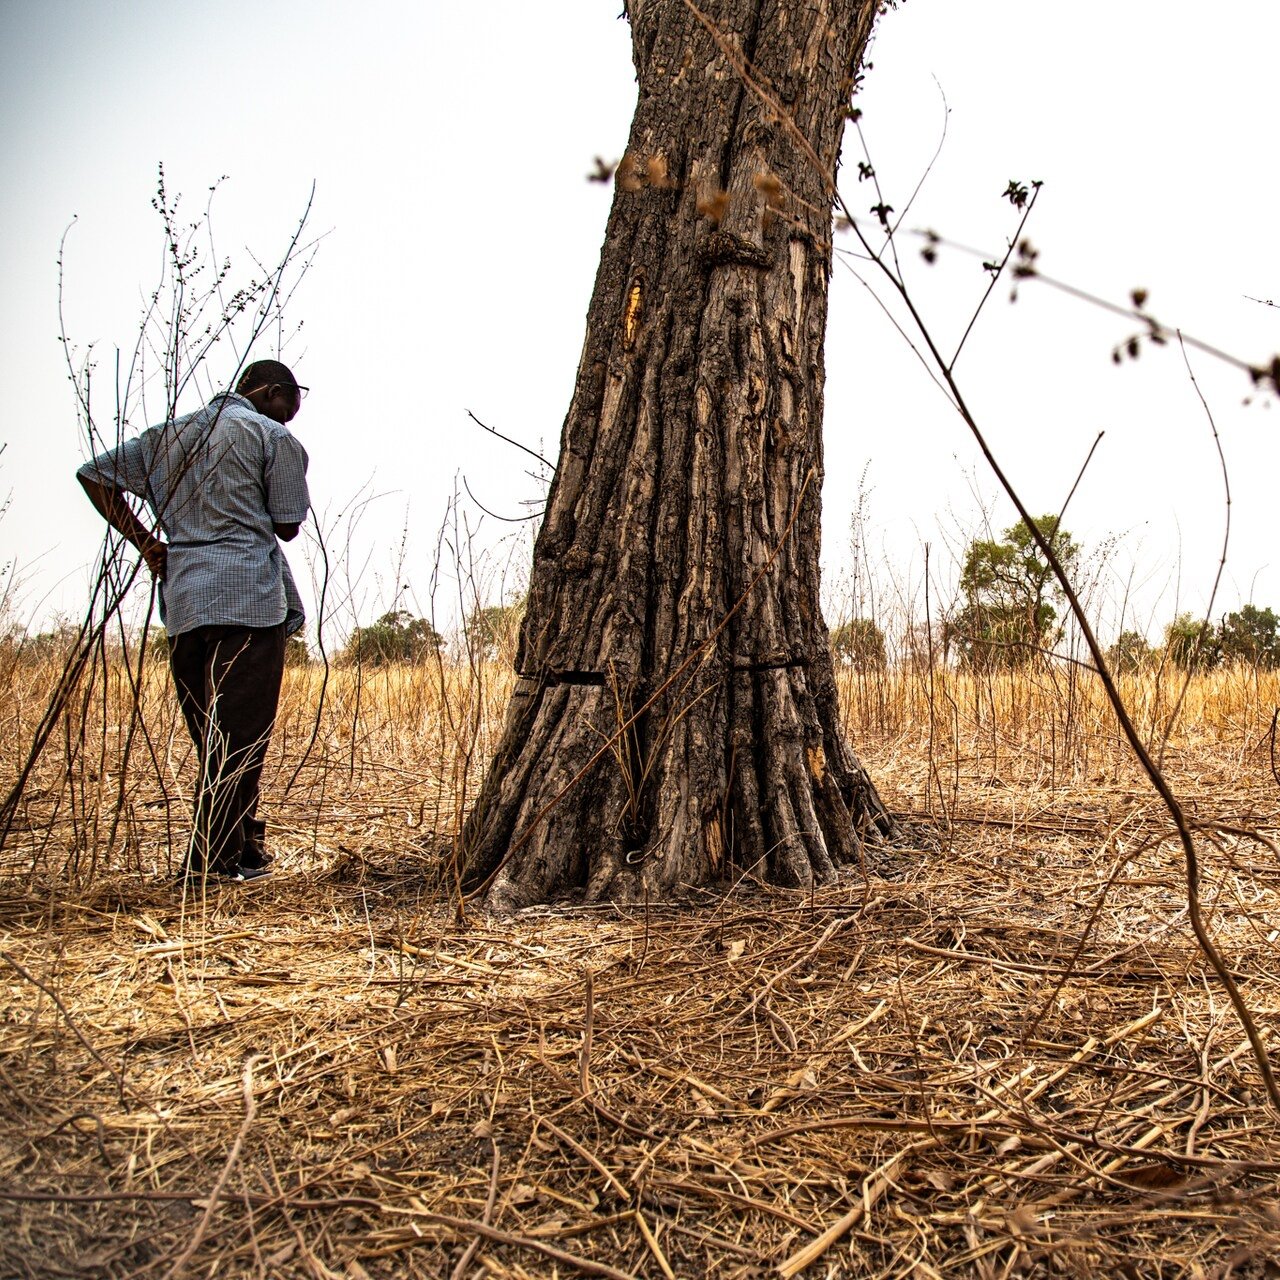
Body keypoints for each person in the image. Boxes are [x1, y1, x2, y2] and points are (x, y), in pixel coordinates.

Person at [77, 360, 311, 884]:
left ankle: (247, 848)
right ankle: (209, 864)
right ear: (270, 392)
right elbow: (287, 525)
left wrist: (147, 544)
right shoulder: (271, 438)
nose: (287, 421)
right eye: (287, 409)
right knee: (242, 736)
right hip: (249, 600)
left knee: (214, 736)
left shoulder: (164, 436)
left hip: (184, 601)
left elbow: (95, 475)